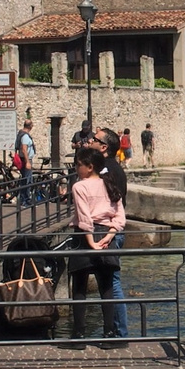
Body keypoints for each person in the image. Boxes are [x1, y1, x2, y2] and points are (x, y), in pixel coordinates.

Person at [68, 145, 125, 339]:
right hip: (107, 235)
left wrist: (91, 242)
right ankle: (109, 332)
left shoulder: (79, 186)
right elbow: (119, 217)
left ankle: (79, 334)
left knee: (79, 286)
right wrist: (109, 235)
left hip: (85, 236)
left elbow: (85, 218)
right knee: (106, 286)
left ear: (89, 166)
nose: (77, 168)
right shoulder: (109, 183)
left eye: (78, 165)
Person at [93, 130, 131, 337]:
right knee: (107, 282)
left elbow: (112, 204)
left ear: (104, 147)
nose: (90, 140)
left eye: (95, 139)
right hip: (110, 230)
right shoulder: (110, 168)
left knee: (111, 283)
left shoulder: (109, 170)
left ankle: (119, 332)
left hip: (109, 231)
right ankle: (115, 330)